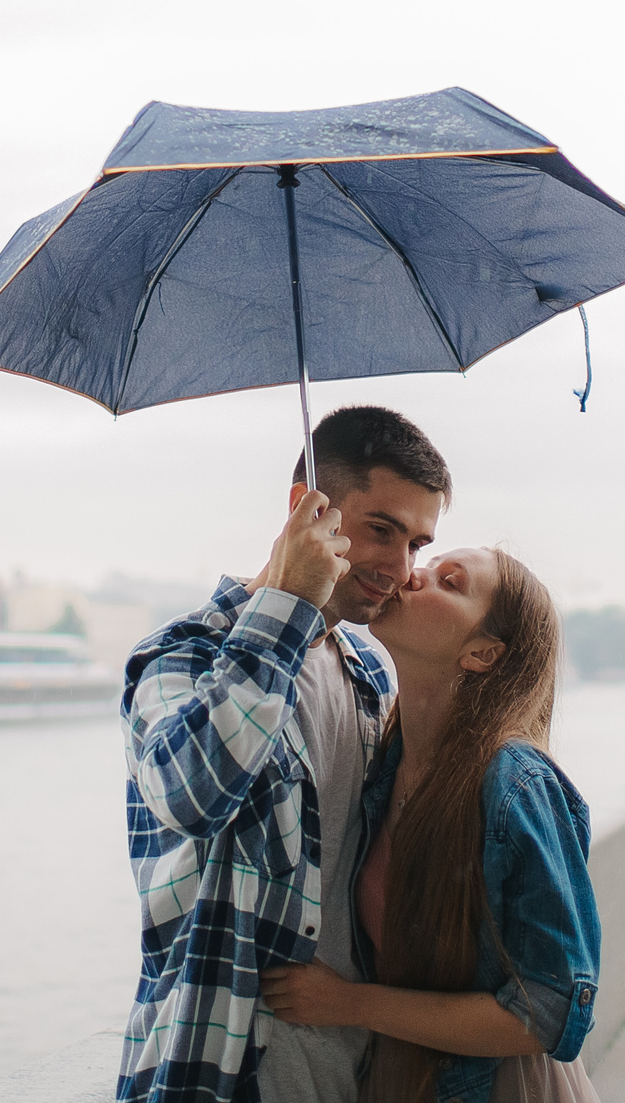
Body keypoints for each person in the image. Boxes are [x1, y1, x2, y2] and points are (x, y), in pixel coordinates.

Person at [118, 407, 450, 1103]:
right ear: (308, 509)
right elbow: (191, 795)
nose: (400, 566)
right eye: (382, 530)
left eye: (418, 542)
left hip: (346, 1070)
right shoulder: (180, 656)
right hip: (217, 1069)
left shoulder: (368, 672)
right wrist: (289, 603)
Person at [262, 546, 600, 1103]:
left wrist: (348, 1002)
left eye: (450, 581)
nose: (413, 575)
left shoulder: (514, 784)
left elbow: (551, 1014)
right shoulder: (384, 760)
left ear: (482, 654)